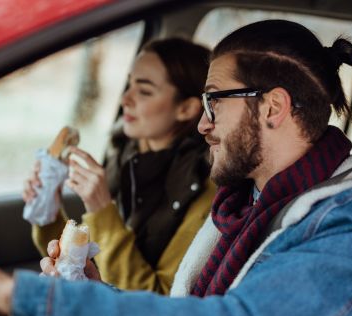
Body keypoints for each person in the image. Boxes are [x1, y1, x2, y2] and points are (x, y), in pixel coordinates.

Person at [0, 20, 352, 316]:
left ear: (273, 107)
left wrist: (7, 292)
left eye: (213, 103)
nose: (203, 125)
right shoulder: (248, 205)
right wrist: (95, 292)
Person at [22, 38, 215, 293]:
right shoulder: (125, 156)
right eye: (129, 84)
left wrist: (101, 209)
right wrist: (48, 211)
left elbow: (157, 299)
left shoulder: (206, 190)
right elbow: (84, 265)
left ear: (187, 108)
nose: (125, 98)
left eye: (144, 91)